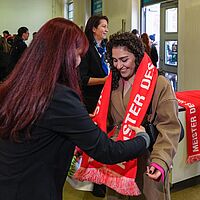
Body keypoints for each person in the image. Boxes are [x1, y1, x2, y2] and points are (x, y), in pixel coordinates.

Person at [0, 18, 150, 200]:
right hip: (35, 188)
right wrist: (143, 139)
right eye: (78, 54)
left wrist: (76, 123)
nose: (78, 62)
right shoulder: (59, 97)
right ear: (62, 54)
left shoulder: (20, 84)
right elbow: (105, 150)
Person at [104, 32, 181, 200]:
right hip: (120, 160)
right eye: (114, 60)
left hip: (148, 161)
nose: (119, 66)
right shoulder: (113, 83)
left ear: (138, 57)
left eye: (124, 60)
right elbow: (107, 121)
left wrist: (160, 161)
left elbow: (170, 127)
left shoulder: (159, 84)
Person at [78, 15, 109, 113]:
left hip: (104, 96)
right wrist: (104, 80)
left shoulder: (105, 48)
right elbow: (82, 79)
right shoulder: (86, 48)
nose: (106, 30)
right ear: (94, 29)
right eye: (103, 26)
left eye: (107, 27)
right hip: (90, 99)